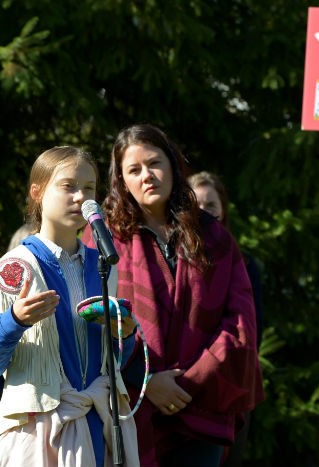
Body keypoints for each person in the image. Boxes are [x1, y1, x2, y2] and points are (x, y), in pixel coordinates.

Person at [88, 124, 263, 467]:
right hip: (130, 409)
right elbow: (93, 322)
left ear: (172, 165)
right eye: (134, 170)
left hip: (201, 408)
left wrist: (188, 383)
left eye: (154, 163)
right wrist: (145, 382)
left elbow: (239, 323)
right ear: (121, 180)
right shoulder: (103, 240)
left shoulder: (214, 237)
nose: (147, 176)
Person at [0, 145, 140, 467]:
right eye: (68, 186)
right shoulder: (13, 266)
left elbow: (113, 362)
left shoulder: (104, 264)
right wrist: (14, 320)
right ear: (37, 192)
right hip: (40, 433)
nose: (81, 197)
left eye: (89, 188)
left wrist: (125, 333)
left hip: (100, 424)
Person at [186, 171, 264, 467]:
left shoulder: (244, 264)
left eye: (211, 206)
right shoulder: (173, 261)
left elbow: (253, 326)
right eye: (196, 204)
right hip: (180, 383)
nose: (204, 212)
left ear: (223, 211)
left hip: (230, 383)